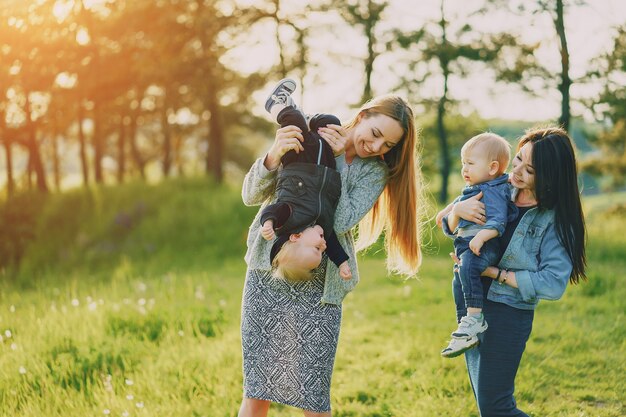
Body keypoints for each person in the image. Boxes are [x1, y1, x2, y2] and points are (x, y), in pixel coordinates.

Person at [239, 91, 426, 416]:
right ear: (364, 114)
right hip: (268, 271)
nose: (377, 148)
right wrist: (273, 155)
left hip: (320, 285)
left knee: (313, 394)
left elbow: (339, 221)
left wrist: (339, 161)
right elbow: (251, 195)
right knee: (257, 390)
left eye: (388, 146)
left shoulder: (373, 172)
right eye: (377, 134)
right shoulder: (312, 133)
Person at [436, 126, 587, 416]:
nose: (515, 172)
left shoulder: (555, 220)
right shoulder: (496, 186)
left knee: (497, 407)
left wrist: (494, 273)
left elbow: (553, 283)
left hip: (508, 312)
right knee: (486, 404)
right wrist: (457, 213)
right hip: (470, 303)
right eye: (517, 159)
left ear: (550, 178)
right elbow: (444, 222)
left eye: (528, 170)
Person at [259, 78, 351, 282]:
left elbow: (272, 210)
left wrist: (268, 223)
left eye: (317, 248)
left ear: (296, 237)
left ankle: (276, 103)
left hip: (298, 158)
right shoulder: (324, 230)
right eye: (322, 251)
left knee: (292, 122)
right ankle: (307, 119)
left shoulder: (289, 219)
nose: (324, 246)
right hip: (325, 166)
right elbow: (334, 246)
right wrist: (343, 263)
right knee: (331, 122)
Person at [440, 133, 518, 358]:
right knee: (459, 281)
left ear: (493, 167)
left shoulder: (493, 190)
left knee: (467, 269)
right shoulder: (471, 190)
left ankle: (474, 320)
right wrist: (454, 211)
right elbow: (447, 225)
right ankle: (464, 327)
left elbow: (498, 221)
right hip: (467, 245)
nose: (464, 168)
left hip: (484, 246)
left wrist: (481, 237)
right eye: (463, 162)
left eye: (471, 163)